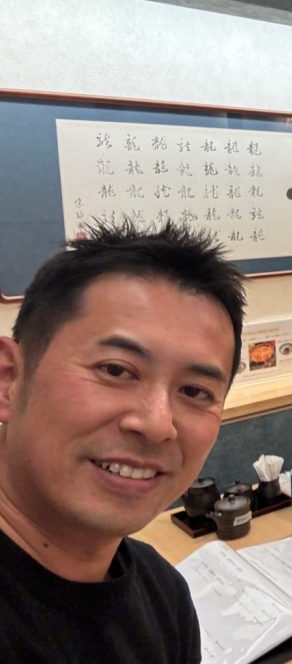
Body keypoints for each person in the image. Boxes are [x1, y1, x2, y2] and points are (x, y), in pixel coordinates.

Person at [0, 221, 246, 663]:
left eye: (194, 391)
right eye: (115, 370)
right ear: (9, 380)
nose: (157, 424)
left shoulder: (163, 596)